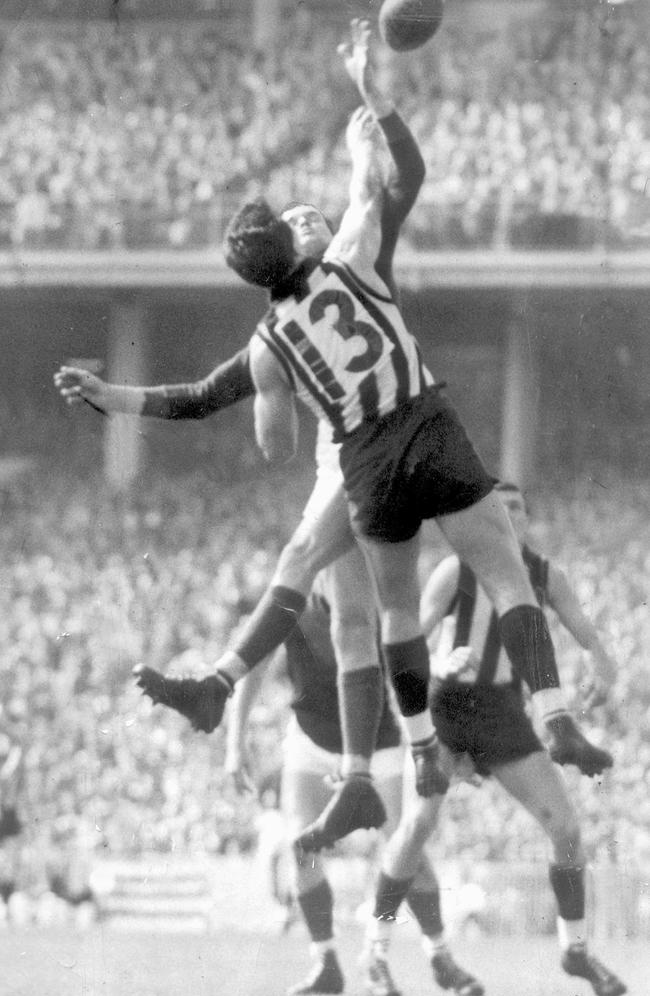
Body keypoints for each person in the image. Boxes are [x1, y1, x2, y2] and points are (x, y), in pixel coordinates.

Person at [55, 21, 610, 850]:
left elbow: (204, 399)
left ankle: (320, 728)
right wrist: (365, 111)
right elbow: (370, 191)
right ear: (294, 244)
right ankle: (468, 736)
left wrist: (111, 395)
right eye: (295, 217)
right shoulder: (353, 254)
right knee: (436, 593)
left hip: (358, 463)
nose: (307, 215)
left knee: (374, 609)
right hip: (399, 432)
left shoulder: (270, 342)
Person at [360, 488, 626, 996]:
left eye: (519, 509)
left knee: (566, 826)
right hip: (446, 705)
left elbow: (588, 634)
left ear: (528, 520)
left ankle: (575, 949)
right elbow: (403, 638)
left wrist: (602, 661)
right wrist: (437, 664)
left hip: (502, 711)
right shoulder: (455, 571)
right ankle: (374, 951)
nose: (508, 518)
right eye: (498, 510)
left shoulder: (545, 575)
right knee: (418, 825)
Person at [225, 551, 484, 996]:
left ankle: (438, 952)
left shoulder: (380, 611)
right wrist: (235, 744)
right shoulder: (293, 606)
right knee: (300, 844)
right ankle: (325, 960)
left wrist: (440, 670)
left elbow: (412, 665)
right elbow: (252, 668)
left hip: (376, 744)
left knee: (405, 847)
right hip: (311, 741)